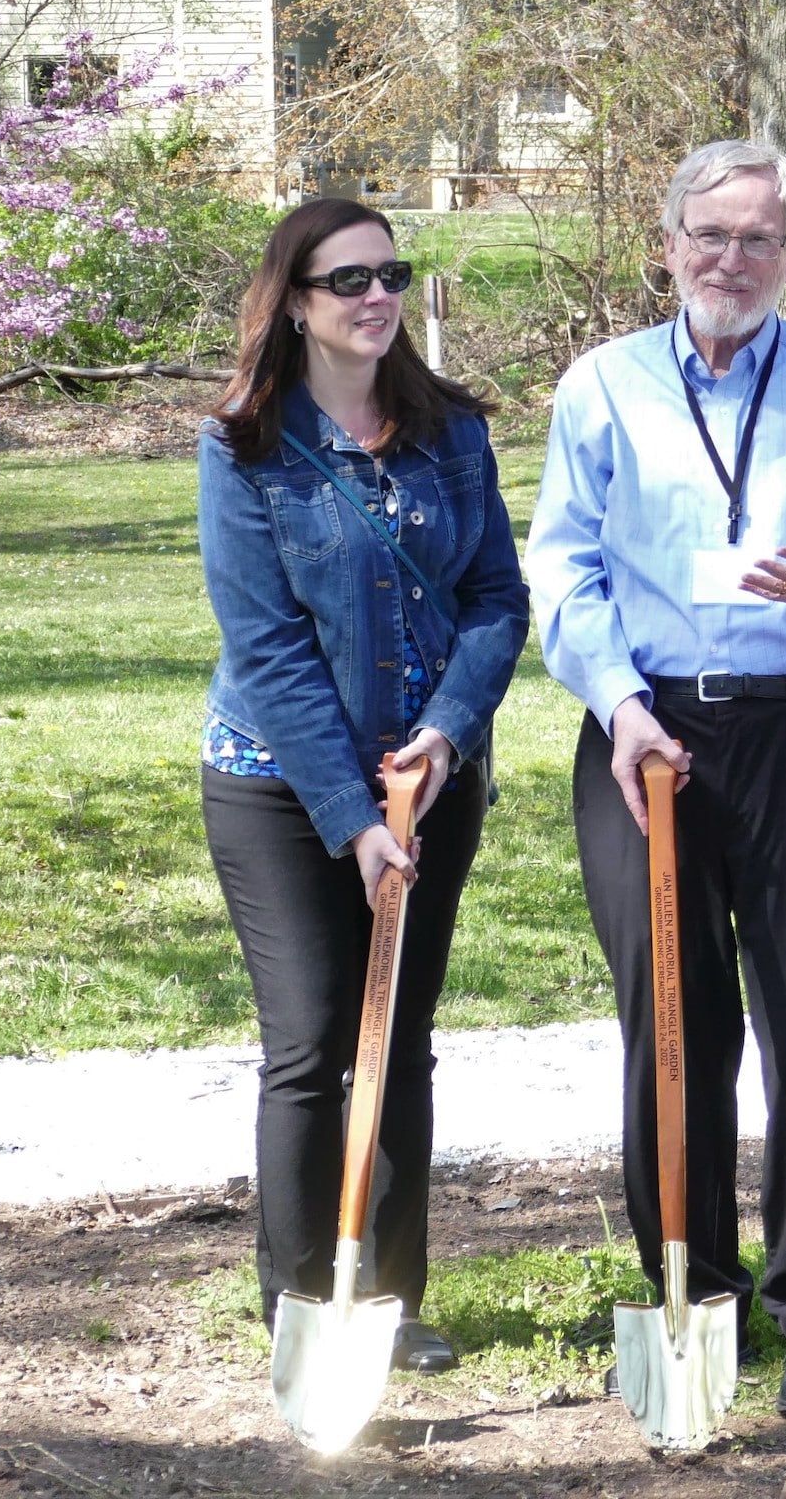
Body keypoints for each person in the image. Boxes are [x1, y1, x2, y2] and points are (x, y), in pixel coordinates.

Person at [527, 138, 786, 1420]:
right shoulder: (600, 387)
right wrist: (619, 706)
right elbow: (565, 566)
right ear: (668, 244)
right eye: (710, 236)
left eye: (759, 239)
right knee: (670, 1012)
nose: (732, 259)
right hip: (641, 737)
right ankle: (685, 1293)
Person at [197, 196, 531, 1374]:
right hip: (279, 791)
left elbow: (497, 597)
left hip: (427, 783)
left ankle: (388, 1297)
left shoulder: (452, 433)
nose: (376, 295)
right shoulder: (244, 448)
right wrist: (350, 819)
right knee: (312, 1041)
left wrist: (446, 737)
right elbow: (266, 645)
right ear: (295, 301)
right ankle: (303, 1300)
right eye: (347, 280)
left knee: (399, 1039)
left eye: (390, 273)